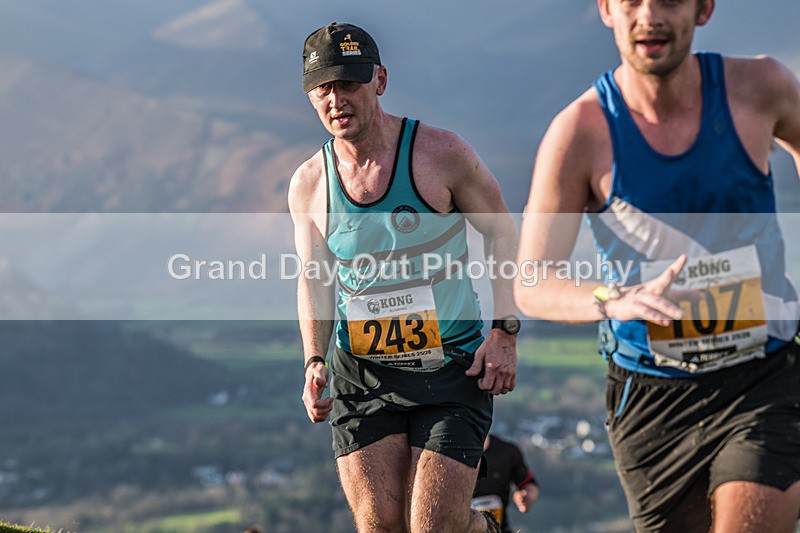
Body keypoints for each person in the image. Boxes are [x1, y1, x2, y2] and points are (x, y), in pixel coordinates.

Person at [515, 1, 800, 531]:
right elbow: (532, 281)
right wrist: (611, 299)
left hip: (762, 372)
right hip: (650, 394)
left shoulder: (760, 86)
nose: (650, 15)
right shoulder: (581, 132)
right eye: (631, 2)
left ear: (704, 9)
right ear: (606, 10)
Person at [288, 22, 520, 533]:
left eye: (349, 83)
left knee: (435, 529)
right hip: (363, 376)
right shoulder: (309, 183)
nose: (336, 99)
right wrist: (313, 359)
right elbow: (314, 278)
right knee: (380, 528)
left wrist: (504, 330)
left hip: (451, 372)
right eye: (322, 88)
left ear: (380, 80)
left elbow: (502, 232)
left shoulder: (441, 154)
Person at [472, 434, 540, 533]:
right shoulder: (446, 456)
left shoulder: (508, 453)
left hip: (500, 529)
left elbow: (529, 483)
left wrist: (526, 495)